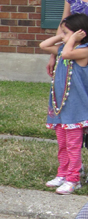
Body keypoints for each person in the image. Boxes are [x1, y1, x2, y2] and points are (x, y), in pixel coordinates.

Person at [39, 14, 88, 195]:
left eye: (66, 32)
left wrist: (73, 39)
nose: (63, 36)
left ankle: (73, 179)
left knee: (73, 145)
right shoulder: (63, 48)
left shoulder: (83, 50)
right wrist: (63, 36)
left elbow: (68, 53)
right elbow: (43, 45)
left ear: (80, 34)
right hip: (60, 108)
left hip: (75, 109)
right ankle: (63, 173)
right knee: (62, 143)